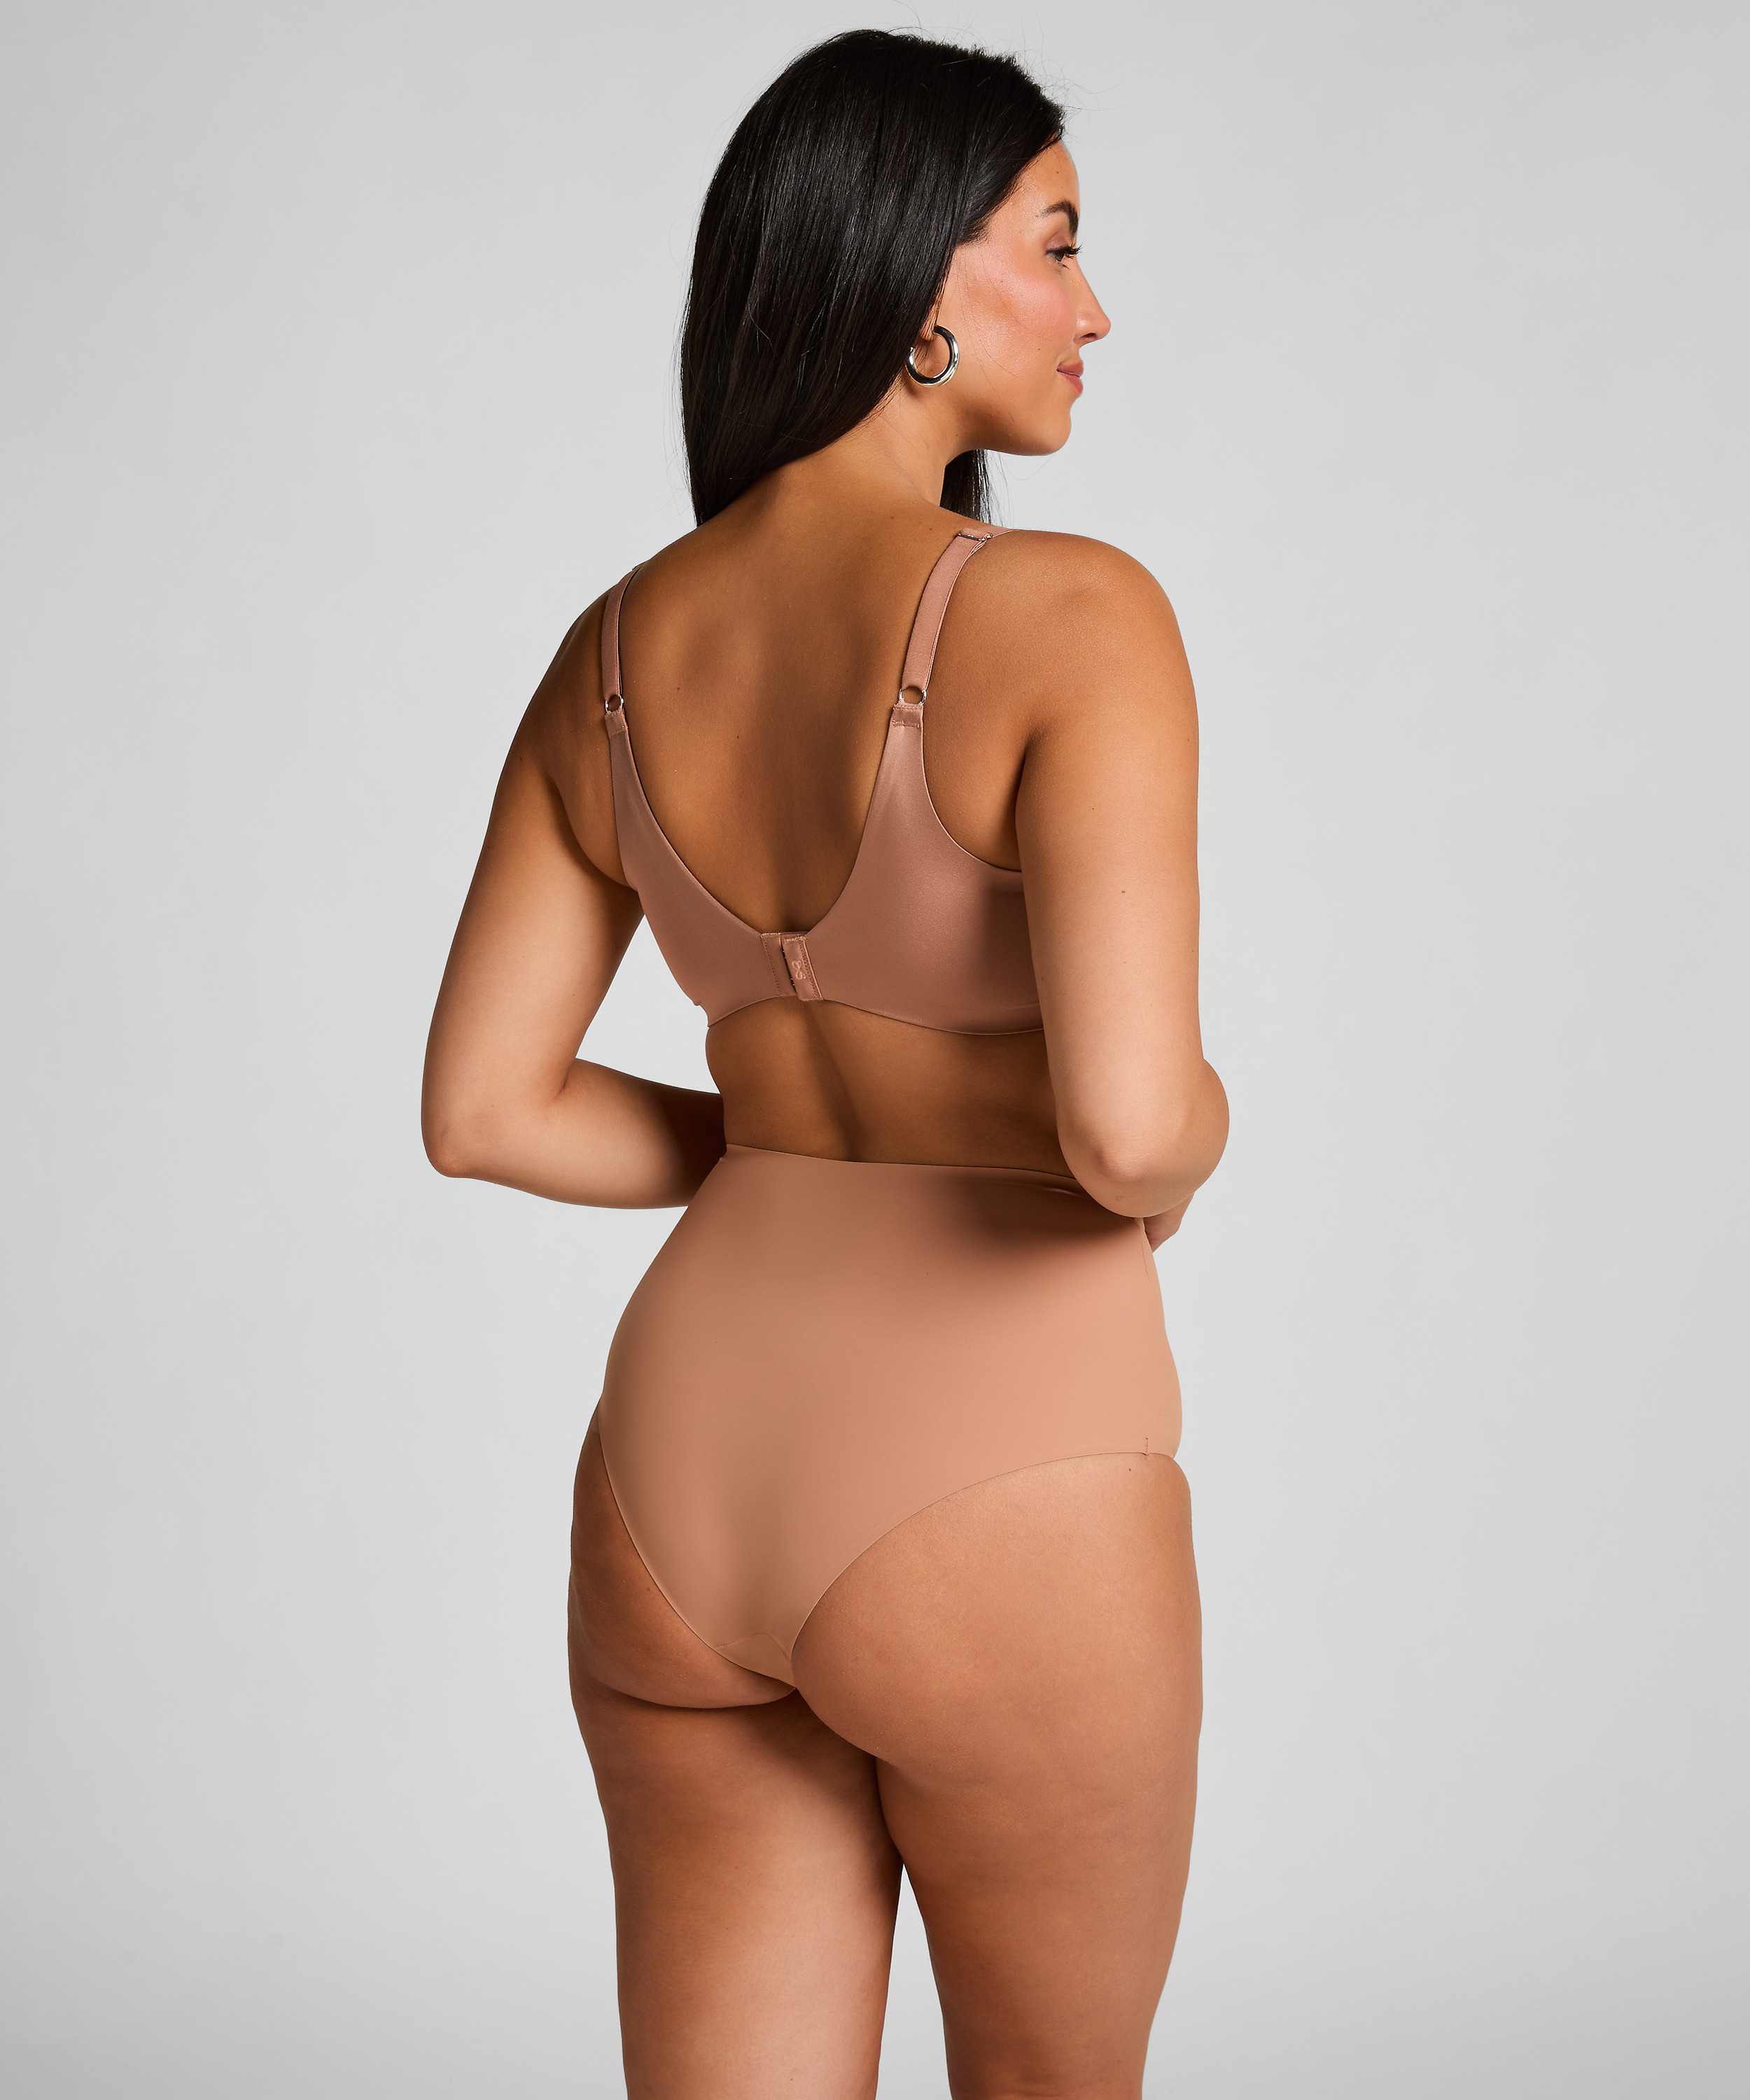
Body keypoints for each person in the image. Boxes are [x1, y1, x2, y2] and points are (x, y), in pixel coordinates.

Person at [422, 27, 1228, 2098]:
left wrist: (783, 1136)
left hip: (680, 1474)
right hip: (999, 1460)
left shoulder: (612, 655)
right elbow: (1131, 1127)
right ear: (915, 289)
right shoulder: (1073, 615)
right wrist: (1201, 1131)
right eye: (1056, 246)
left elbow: (485, 1110)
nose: (1095, 312)